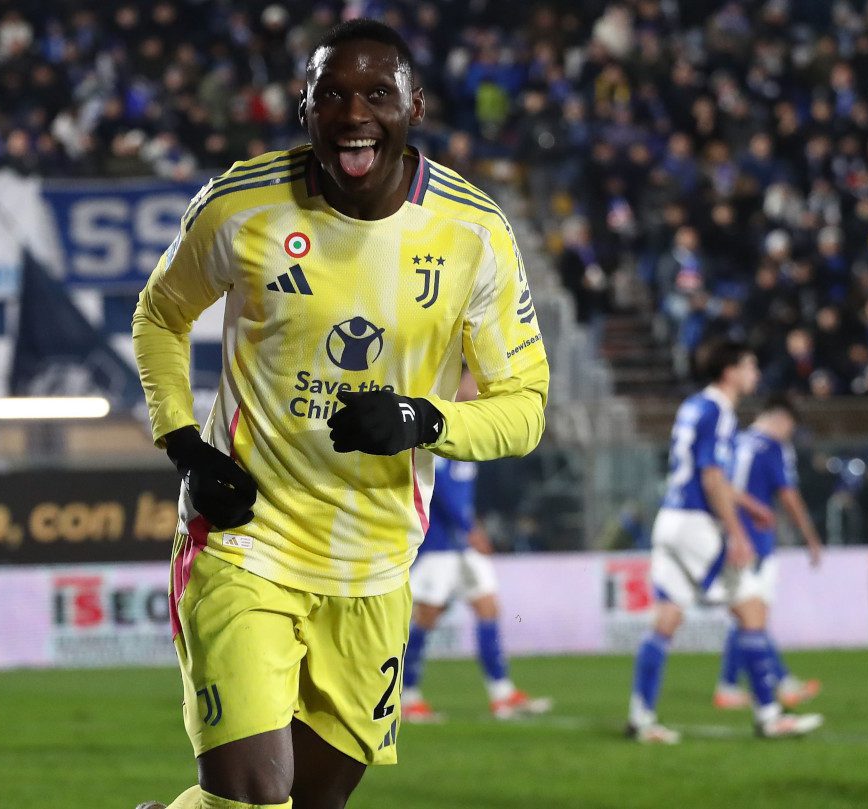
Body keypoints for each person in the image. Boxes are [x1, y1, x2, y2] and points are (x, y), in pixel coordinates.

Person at [131, 19, 548, 809]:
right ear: (306, 110)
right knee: (256, 799)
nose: (354, 113)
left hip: (375, 568)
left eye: (376, 94)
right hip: (245, 544)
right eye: (333, 95)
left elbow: (525, 407)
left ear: (413, 106)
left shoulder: (474, 233)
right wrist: (186, 444)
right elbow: (159, 315)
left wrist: (427, 422)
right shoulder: (241, 205)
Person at [626, 338, 823, 743]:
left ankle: (641, 718)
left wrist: (749, 506)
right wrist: (736, 533)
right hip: (697, 523)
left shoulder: (694, 405)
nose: (755, 374)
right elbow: (712, 476)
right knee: (752, 610)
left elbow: (705, 471)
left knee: (666, 618)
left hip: (671, 519)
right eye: (750, 366)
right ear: (730, 371)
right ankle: (770, 715)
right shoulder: (719, 410)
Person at [401, 369, 552, 722]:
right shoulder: (437, 423)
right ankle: (406, 697)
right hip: (440, 543)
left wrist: (472, 527)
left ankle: (502, 694)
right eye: (470, 381)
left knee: (487, 606)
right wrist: (470, 529)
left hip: (462, 543)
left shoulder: (470, 426)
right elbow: (437, 490)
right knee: (426, 615)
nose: (477, 388)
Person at [712, 394, 825, 714]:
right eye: (790, 426)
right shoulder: (774, 447)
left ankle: (749, 683)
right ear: (781, 419)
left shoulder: (736, 441)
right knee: (751, 614)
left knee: (746, 611)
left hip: (728, 533)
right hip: (755, 539)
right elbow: (787, 495)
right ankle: (743, 684)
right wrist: (810, 536)